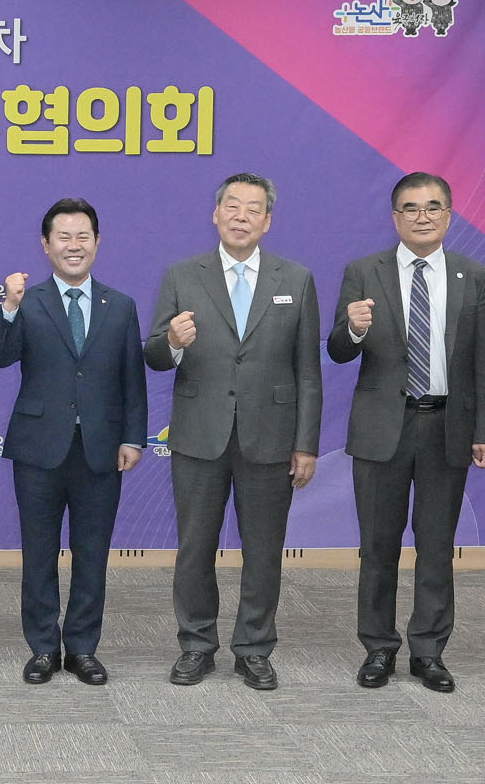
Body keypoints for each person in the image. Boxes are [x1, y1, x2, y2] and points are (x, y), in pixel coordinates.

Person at [144, 173, 321, 691]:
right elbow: (154, 354)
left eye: (253, 209)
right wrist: (172, 342)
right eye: (233, 206)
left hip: (271, 436)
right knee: (195, 547)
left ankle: (254, 648)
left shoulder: (296, 279)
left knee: (263, 550)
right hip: (199, 434)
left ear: (268, 221)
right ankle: (196, 645)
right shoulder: (183, 275)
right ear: (216, 214)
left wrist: (305, 443)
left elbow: (308, 371)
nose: (242, 216)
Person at [327, 171, 485, 693]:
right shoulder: (364, 272)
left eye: (432, 207)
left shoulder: (474, 275)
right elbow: (338, 349)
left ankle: (429, 651)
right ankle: (378, 647)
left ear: (448, 214)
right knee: (377, 545)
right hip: (384, 426)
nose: (422, 217)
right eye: (411, 208)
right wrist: (354, 328)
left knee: (437, 545)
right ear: (395, 217)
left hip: (447, 425)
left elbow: (481, 359)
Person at [0, 198, 148, 686]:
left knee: (92, 553)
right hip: (39, 448)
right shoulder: (28, 300)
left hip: (100, 447)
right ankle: (42, 648)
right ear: (46, 245)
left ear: (97, 242)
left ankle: (81, 648)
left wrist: (134, 438)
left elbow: (132, 380)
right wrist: (8, 309)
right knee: (38, 553)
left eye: (83, 236)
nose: (73, 245)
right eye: (64, 236)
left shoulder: (120, 306)